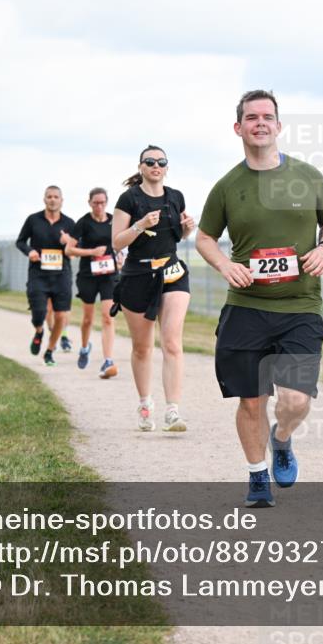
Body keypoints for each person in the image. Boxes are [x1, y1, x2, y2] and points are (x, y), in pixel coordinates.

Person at [196, 91, 323, 507]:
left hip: (299, 307)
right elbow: (205, 238)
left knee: (294, 400)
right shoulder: (227, 187)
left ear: (279, 126)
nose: (261, 123)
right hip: (246, 307)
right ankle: (258, 478)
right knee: (252, 399)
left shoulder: (307, 175)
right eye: (252, 117)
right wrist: (225, 265)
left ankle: (282, 439)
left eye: (268, 117)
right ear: (238, 127)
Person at [112, 146, 195, 432]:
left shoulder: (175, 197)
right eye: (150, 161)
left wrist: (187, 229)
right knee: (143, 347)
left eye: (161, 162)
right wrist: (139, 225)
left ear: (167, 167)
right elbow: (117, 242)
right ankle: (145, 403)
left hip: (172, 272)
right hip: (138, 275)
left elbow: (178, 235)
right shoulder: (129, 199)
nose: (156, 165)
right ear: (141, 167)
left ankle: (173, 410)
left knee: (171, 342)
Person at [66, 187, 124, 378]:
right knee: (88, 319)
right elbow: (69, 250)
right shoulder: (83, 222)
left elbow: (122, 243)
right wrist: (91, 252)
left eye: (102, 202)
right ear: (89, 202)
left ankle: (108, 360)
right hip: (88, 275)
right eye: (95, 202)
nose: (99, 206)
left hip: (109, 274)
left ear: (107, 202)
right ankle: (84, 347)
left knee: (108, 317)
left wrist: (121, 256)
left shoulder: (114, 221)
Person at [16, 185, 75, 367]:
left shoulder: (69, 223)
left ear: (61, 200)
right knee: (38, 314)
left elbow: (74, 250)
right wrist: (30, 251)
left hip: (61, 275)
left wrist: (68, 243)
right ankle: (39, 331)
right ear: (44, 199)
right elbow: (20, 241)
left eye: (56, 197)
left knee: (60, 316)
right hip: (38, 275)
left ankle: (49, 351)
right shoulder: (33, 220)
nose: (52, 199)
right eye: (49, 196)